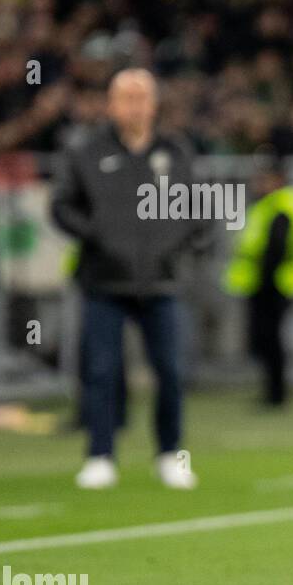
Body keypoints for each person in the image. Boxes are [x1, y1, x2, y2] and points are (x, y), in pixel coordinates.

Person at [50, 69, 206, 489]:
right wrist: (98, 236)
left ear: (154, 104)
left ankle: (170, 454)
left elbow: (198, 207)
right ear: (110, 103)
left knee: (171, 371)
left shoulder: (175, 151)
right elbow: (63, 206)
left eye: (142, 96)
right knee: (101, 371)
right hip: (104, 282)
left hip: (162, 282)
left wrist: (180, 245)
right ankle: (100, 455)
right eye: (125, 96)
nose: (134, 105)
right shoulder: (88, 151)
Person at [224, 159, 293, 406]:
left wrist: (263, 278)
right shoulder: (271, 205)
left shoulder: (279, 205)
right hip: (267, 284)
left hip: (274, 285)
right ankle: (272, 393)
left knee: (271, 341)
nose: (258, 184)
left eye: (264, 179)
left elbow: (276, 248)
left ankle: (276, 395)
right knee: (267, 341)